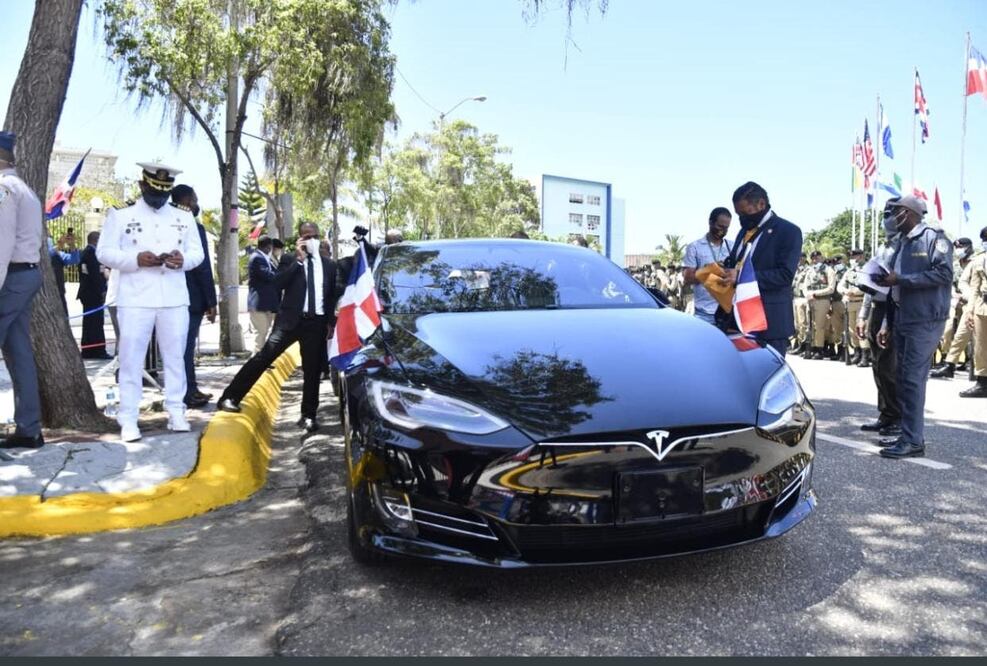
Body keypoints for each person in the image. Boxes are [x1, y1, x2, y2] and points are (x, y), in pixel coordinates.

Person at [96, 162, 204, 442]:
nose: (159, 197)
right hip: (135, 298)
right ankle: (129, 418)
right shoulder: (121, 216)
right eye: (154, 191)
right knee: (131, 359)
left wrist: (183, 261)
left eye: (164, 192)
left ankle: (176, 411)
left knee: (175, 358)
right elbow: (104, 252)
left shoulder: (184, 217)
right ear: (143, 185)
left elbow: (197, 254)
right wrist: (134, 260)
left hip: (174, 297)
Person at [218, 222, 340, 433]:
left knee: (312, 371)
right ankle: (230, 397)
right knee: (263, 357)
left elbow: (330, 296)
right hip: (289, 322)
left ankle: (308, 415)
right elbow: (277, 283)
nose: (310, 240)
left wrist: (330, 322)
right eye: (305, 236)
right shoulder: (289, 259)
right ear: (299, 239)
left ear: (319, 238)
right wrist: (298, 262)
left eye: (314, 236)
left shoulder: (329, 265)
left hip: (316, 323)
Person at [874, 195, 953, 459]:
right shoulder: (902, 243)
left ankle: (913, 441)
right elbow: (894, 285)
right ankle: (909, 434)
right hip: (903, 317)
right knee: (904, 379)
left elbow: (944, 274)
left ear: (907, 213)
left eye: (895, 212)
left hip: (925, 319)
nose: (891, 217)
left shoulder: (934, 238)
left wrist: (903, 279)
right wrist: (887, 322)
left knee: (911, 379)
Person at [717, 182, 802, 356]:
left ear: (761, 204)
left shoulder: (788, 231)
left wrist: (740, 276)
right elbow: (739, 263)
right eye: (738, 214)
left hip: (768, 323)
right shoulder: (743, 232)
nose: (741, 218)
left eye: (744, 212)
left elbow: (784, 275)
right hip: (737, 320)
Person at [0, 131, 46, 450]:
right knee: (18, 354)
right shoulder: (24, 189)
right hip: (24, 274)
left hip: (11, 276)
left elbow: (1, 244)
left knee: (19, 354)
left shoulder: (4, 189)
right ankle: (29, 429)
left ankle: (29, 426)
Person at [858, 199, 903, 437]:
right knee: (878, 365)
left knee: (889, 367)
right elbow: (871, 282)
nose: (888, 218)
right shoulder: (883, 247)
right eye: (885, 213)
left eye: (892, 213)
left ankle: (897, 415)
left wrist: (886, 322)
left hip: (892, 311)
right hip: (877, 307)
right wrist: (863, 315)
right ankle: (885, 413)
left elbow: (894, 290)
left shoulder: (903, 247)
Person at [171, 185, 217, 409]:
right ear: (188, 201)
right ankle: (188, 392)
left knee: (178, 348)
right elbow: (202, 266)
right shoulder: (193, 227)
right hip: (192, 299)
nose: (196, 204)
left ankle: (187, 389)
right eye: (195, 199)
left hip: (168, 296)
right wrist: (211, 301)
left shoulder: (166, 223)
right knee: (185, 348)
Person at [931, 237, 977, 379]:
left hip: (974, 302)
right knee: (952, 331)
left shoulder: (977, 261)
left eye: (961, 247)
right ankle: (948, 362)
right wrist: (954, 294)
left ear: (969, 247)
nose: (958, 250)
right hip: (956, 301)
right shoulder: (955, 265)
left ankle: (972, 364)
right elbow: (951, 281)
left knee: (974, 336)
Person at [682, 208, 733, 324]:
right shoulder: (694, 247)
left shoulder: (732, 247)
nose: (723, 231)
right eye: (720, 226)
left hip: (728, 311)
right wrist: (710, 271)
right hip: (704, 313)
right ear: (710, 222)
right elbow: (688, 278)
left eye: (726, 228)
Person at [956, 226, 987, 397]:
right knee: (981, 346)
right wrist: (969, 311)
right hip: (983, 306)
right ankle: (982, 383)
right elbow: (974, 288)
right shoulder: (979, 261)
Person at [77, 231, 111, 359]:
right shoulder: (92, 253)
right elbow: (95, 275)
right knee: (95, 323)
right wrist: (102, 290)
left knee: (90, 323)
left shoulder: (87, 252)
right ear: (96, 240)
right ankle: (97, 350)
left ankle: (89, 349)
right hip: (92, 293)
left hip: (88, 293)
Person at [247, 235, 280, 353]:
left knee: (266, 333)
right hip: (259, 304)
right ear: (269, 246)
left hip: (267, 304)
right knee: (260, 334)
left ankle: (263, 362)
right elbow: (268, 275)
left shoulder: (267, 259)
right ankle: (256, 363)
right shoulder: (257, 258)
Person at [837, 249, 870, 367]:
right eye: (852, 257)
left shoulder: (867, 269)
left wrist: (854, 291)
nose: (853, 259)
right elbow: (840, 285)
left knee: (862, 330)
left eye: (855, 256)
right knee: (851, 330)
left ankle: (865, 355)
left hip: (862, 302)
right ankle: (857, 352)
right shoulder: (849, 271)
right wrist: (845, 291)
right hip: (850, 302)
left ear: (861, 256)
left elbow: (868, 285)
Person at [48, 232, 80, 314]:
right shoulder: (49, 252)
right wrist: (58, 246)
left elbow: (74, 260)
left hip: (59, 291)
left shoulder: (59, 254)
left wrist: (72, 245)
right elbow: (48, 253)